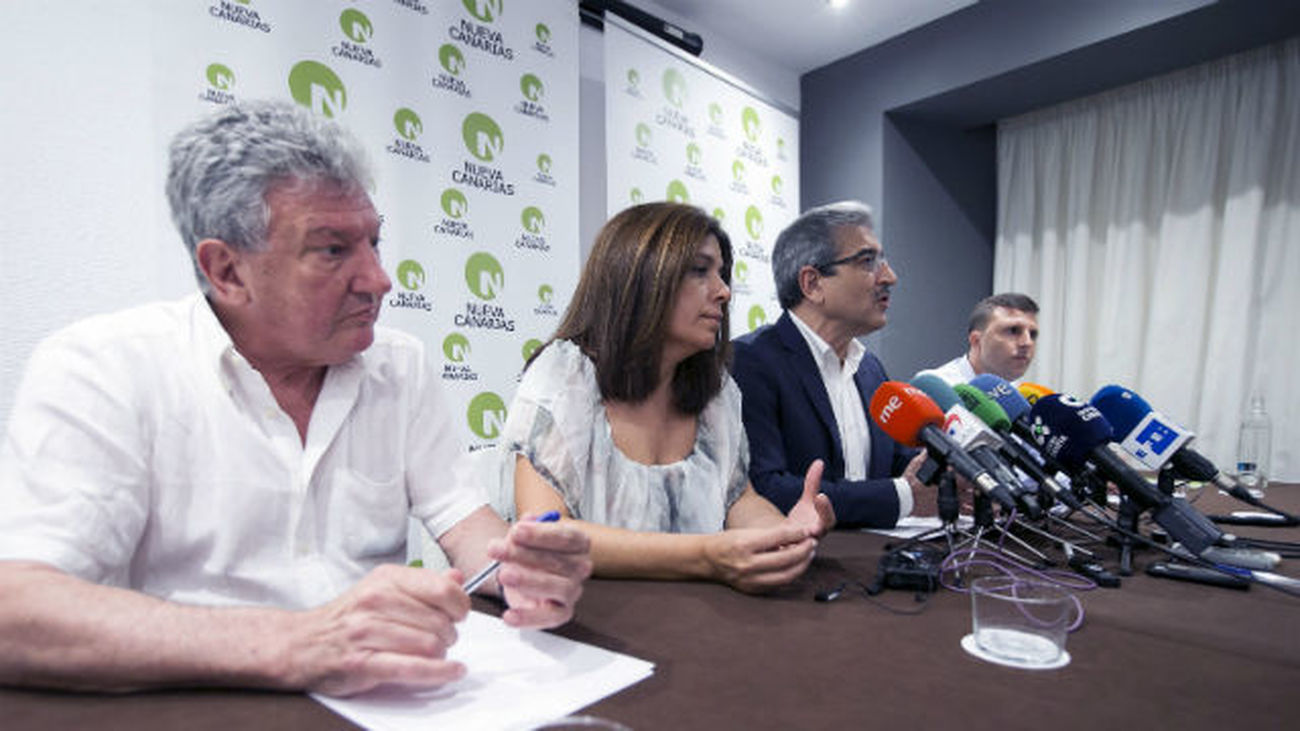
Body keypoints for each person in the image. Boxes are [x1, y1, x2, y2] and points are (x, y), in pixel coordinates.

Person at [0, 100, 591, 697]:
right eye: (333, 250)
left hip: (377, 701)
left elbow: (463, 522)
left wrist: (521, 569)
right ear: (226, 270)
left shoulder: (399, 366)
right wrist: (290, 641)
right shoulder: (104, 368)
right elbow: (16, 610)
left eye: (374, 243)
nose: (379, 279)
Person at [507, 202, 835, 594]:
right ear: (639, 276)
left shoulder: (716, 394)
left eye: (721, 274)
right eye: (700, 271)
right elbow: (544, 532)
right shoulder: (565, 375)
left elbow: (738, 501)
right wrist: (707, 557)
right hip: (588, 628)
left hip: (699, 623)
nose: (724, 292)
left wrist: (779, 533)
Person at [731, 201, 929, 529]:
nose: (890, 277)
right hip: (800, 566)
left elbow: (899, 465)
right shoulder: (750, 362)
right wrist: (902, 495)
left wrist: (938, 474)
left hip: (875, 563)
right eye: (869, 261)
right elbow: (764, 489)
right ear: (812, 283)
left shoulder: (869, 369)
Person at [914, 292, 1039, 385]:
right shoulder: (937, 386)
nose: (1027, 343)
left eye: (1032, 334)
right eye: (1013, 331)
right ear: (976, 341)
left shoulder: (1020, 401)